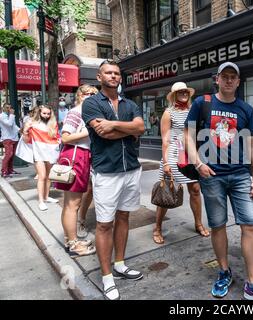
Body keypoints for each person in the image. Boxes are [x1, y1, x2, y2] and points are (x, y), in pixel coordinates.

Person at [184, 61, 253, 300]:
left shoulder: (245, 109)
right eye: (224, 76)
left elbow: (252, 144)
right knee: (218, 225)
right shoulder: (202, 103)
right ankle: (224, 271)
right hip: (211, 175)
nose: (229, 80)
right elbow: (187, 135)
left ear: (238, 82)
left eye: (233, 77)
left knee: (249, 225)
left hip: (240, 175)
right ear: (217, 79)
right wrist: (198, 164)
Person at [82, 60, 145, 301]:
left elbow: (140, 127)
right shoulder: (91, 103)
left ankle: (120, 264)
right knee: (104, 224)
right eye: (108, 72)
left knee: (124, 216)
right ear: (99, 77)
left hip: (130, 168)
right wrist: (128, 129)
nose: (113, 76)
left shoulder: (130, 103)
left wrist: (117, 124)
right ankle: (107, 277)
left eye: (117, 73)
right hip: (107, 172)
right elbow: (102, 133)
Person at [153, 82, 210, 245]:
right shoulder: (168, 113)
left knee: (196, 189)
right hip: (173, 155)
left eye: (185, 91)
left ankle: (198, 224)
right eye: (180, 92)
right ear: (174, 95)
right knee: (167, 191)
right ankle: (157, 227)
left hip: (191, 154)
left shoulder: (194, 111)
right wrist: (165, 163)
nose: (184, 93)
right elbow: (165, 140)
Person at [54, 84, 98, 257]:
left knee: (69, 204)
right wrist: (89, 131)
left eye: (95, 94)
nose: (91, 96)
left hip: (77, 156)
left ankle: (69, 238)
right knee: (73, 205)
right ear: (80, 95)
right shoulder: (76, 112)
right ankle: (73, 244)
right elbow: (65, 137)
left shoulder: (83, 112)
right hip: (75, 156)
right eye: (88, 93)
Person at [22, 105, 60, 211]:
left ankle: (46, 197)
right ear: (39, 113)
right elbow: (26, 140)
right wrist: (25, 130)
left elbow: (56, 139)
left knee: (48, 176)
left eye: (48, 114)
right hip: (38, 153)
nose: (46, 116)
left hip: (50, 153)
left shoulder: (53, 124)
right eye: (44, 113)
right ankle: (41, 201)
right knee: (42, 176)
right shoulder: (32, 123)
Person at [0, 104, 20, 178]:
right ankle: (4, 171)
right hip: (7, 138)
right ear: (3, 108)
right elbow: (9, 124)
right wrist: (11, 115)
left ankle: (10, 170)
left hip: (14, 137)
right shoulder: (2, 116)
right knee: (8, 154)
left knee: (12, 155)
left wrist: (20, 130)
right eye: (7, 108)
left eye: (10, 107)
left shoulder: (11, 116)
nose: (8, 109)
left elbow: (14, 125)